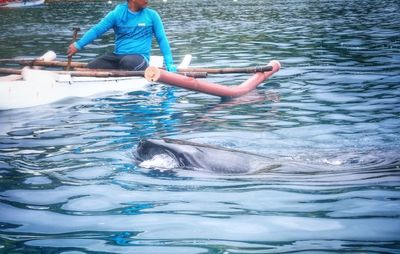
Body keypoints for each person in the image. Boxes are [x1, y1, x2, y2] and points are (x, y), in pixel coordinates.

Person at [67, 0, 176, 72]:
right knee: (91, 66)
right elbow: (97, 30)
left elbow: (161, 39)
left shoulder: (152, 15)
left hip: (140, 58)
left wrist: (169, 63)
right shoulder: (117, 14)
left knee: (127, 62)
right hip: (118, 57)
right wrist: (78, 45)